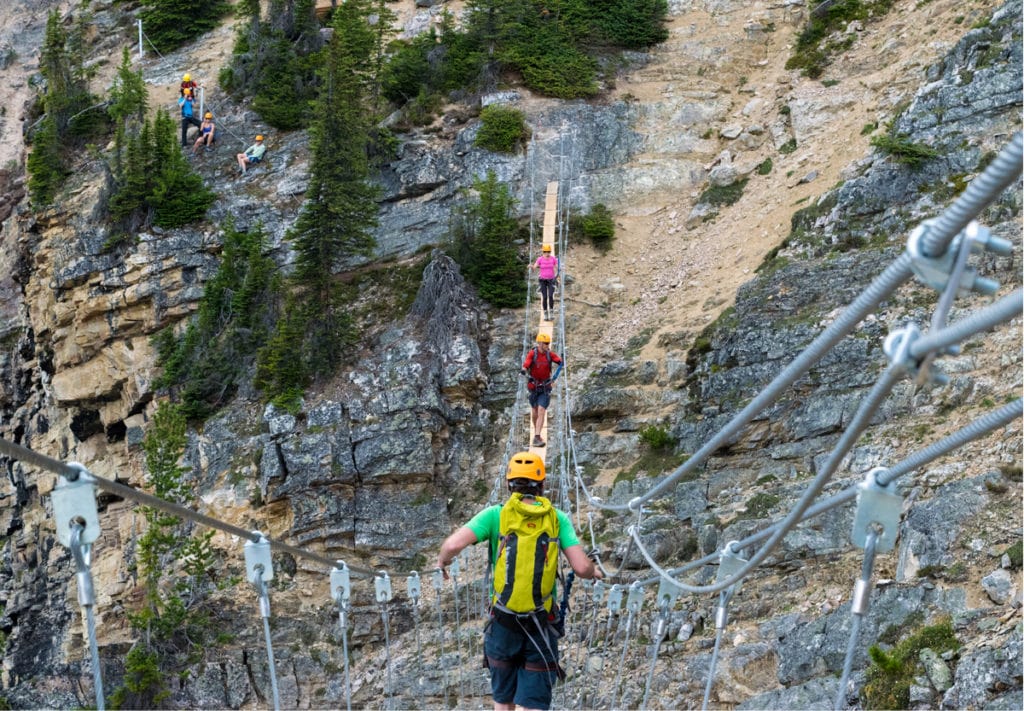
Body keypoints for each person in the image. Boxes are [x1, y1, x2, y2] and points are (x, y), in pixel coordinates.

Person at [436, 452, 602, 711]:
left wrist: (443, 561)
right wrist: (594, 572)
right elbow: (581, 567)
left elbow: (453, 544)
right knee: (534, 704)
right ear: (543, 486)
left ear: (508, 484)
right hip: (540, 625)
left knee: (503, 703)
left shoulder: (496, 515)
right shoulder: (557, 518)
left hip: (502, 623)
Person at [521, 333, 562, 448]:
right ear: (539, 343)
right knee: (534, 411)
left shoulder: (550, 354)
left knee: (541, 410)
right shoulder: (532, 354)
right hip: (533, 387)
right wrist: (524, 369)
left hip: (545, 387)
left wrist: (554, 377)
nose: (548, 345)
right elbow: (527, 363)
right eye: (546, 343)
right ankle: (536, 433)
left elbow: (560, 362)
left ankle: (537, 437)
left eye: (548, 343)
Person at [531, 243, 559, 321]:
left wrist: (560, 273)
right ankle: (546, 314)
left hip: (551, 280)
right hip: (543, 280)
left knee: (550, 296)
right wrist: (532, 267)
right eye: (545, 252)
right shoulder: (540, 259)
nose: (547, 253)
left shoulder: (553, 259)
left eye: (548, 252)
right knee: (545, 297)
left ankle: (551, 312)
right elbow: (535, 267)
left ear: (550, 252)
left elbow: (557, 267)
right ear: (543, 252)